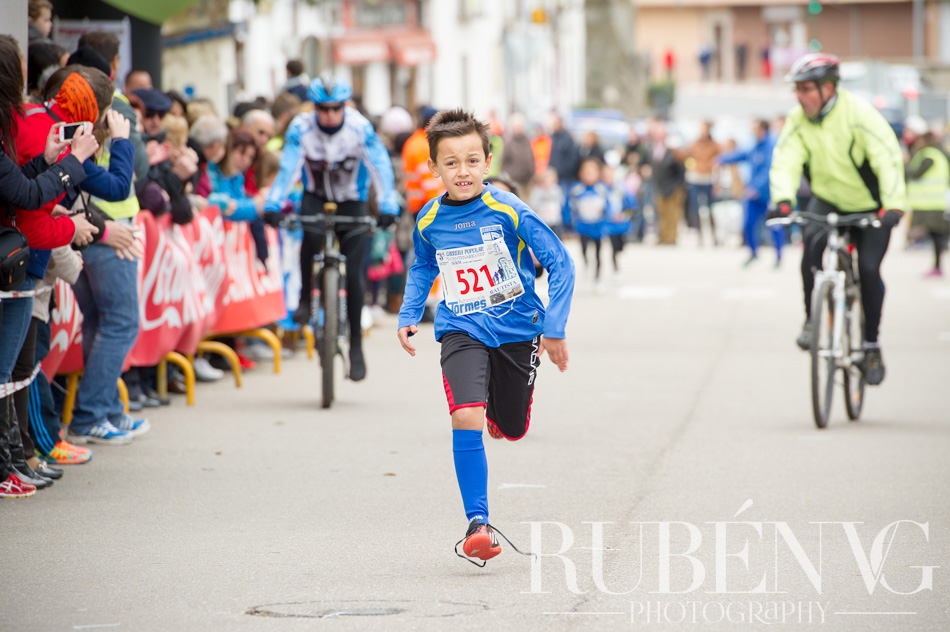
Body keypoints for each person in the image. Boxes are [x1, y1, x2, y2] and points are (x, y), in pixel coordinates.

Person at [396, 109, 575, 564]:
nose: (463, 171)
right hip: (461, 328)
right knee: (465, 415)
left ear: (488, 162)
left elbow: (560, 263)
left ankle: (499, 411)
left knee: (511, 427)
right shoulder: (428, 218)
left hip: (517, 330)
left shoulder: (509, 209)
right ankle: (478, 523)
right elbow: (423, 265)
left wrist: (554, 328)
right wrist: (409, 312)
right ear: (433, 167)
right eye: (451, 162)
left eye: (472, 161)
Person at [768, 53, 906, 386]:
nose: (800, 97)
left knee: (869, 270)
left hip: (870, 206)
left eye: (806, 90)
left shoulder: (858, 114)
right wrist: (784, 200)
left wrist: (893, 205)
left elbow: (886, 157)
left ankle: (870, 346)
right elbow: (786, 159)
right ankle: (811, 320)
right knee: (810, 250)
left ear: (828, 88)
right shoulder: (798, 119)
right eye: (797, 90)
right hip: (828, 199)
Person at [263, 76, 399, 381]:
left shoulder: (360, 127)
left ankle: (356, 346)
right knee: (310, 237)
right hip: (316, 197)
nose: (329, 115)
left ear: (345, 106)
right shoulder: (301, 127)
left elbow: (380, 167)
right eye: (322, 109)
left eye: (336, 108)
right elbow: (288, 168)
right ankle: (304, 298)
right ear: (314, 107)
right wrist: (273, 203)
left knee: (354, 274)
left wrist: (388, 205)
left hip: (352, 200)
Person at [719, 119, 782, 267]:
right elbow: (742, 155)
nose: (752, 130)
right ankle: (753, 253)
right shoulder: (754, 145)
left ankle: (779, 257)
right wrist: (722, 159)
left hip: (767, 194)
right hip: (752, 195)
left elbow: (768, 169)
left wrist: (756, 187)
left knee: (773, 226)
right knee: (748, 224)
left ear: (762, 129)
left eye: (754, 127)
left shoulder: (771, 146)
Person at [902, 115, 950, 277]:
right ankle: (936, 266)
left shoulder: (929, 155)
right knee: (936, 235)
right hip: (933, 202)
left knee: (937, 236)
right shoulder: (936, 153)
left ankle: (937, 266)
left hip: (932, 203)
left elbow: (915, 173)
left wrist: (904, 163)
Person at [566, 157, 613, 287]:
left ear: (598, 174)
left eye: (592, 172)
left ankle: (598, 276)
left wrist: (607, 221)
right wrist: (568, 221)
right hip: (583, 226)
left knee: (598, 252)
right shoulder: (576, 189)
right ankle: (586, 263)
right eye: (586, 172)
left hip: (598, 226)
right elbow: (568, 206)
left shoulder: (602, 189)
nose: (589, 175)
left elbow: (608, 206)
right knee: (584, 248)